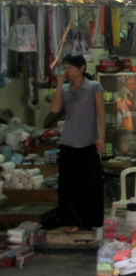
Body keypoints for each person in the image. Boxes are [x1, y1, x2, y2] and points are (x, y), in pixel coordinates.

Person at [50, 55, 105, 234]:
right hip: (68, 141)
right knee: (70, 185)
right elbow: (55, 109)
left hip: (88, 142)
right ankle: (74, 221)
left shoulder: (93, 87)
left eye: (70, 68)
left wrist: (101, 136)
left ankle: (93, 220)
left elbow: (101, 114)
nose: (67, 71)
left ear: (81, 68)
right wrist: (59, 85)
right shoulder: (65, 89)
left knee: (91, 183)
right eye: (65, 68)